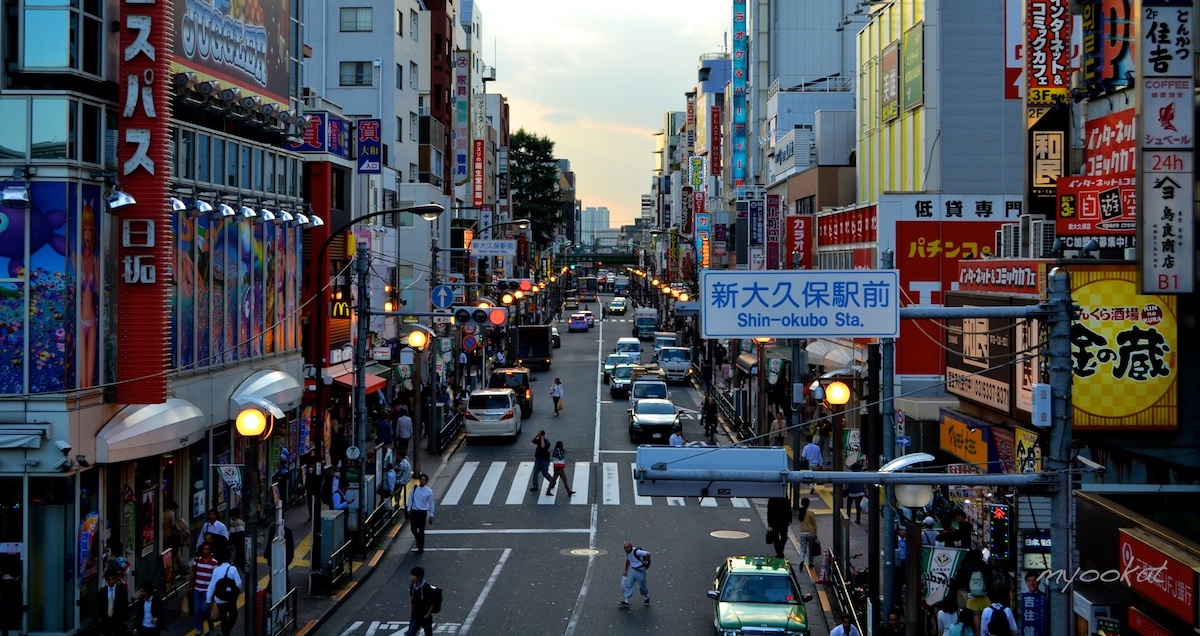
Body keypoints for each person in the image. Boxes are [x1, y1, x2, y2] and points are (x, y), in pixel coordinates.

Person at [204, 552, 242, 636]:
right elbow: (239, 584)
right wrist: (234, 594)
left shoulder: (216, 570)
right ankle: (225, 632)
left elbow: (212, 586)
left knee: (223, 617)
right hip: (230, 599)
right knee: (233, 616)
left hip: (220, 598)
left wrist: (208, 600)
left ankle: (224, 632)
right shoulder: (233, 569)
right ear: (229, 559)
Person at [189, 542, 218, 636]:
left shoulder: (214, 563)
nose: (205, 551)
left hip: (207, 591)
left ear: (210, 551)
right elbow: (193, 574)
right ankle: (199, 629)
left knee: (203, 609)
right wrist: (190, 586)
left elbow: (215, 578)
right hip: (197, 589)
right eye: (204, 549)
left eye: (207, 549)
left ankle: (209, 619)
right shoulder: (197, 561)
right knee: (197, 611)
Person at [408, 474, 435, 553]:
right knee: (413, 528)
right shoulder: (415, 488)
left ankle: (421, 547)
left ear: (426, 481)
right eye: (421, 479)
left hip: (422, 512)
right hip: (414, 511)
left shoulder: (429, 491)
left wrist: (431, 515)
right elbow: (410, 499)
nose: (422, 481)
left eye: (424, 480)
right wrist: (409, 509)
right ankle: (418, 539)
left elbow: (431, 503)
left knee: (421, 530)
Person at [97, 570, 129, 636]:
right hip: (106, 618)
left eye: (113, 579)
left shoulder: (121, 590)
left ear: (115, 579)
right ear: (106, 580)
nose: (111, 581)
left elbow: (125, 605)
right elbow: (100, 605)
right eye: (109, 580)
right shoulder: (102, 591)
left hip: (118, 618)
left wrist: (125, 619)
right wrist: (100, 617)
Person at [618, 542, 651, 608]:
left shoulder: (637, 551)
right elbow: (628, 561)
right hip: (633, 570)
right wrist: (626, 570)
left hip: (640, 571)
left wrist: (646, 561)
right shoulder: (627, 552)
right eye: (625, 548)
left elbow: (648, 553)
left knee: (642, 586)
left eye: (627, 547)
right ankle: (626, 601)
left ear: (631, 546)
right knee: (628, 584)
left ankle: (646, 596)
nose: (626, 549)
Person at [408, 566, 436, 636]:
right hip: (415, 615)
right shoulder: (412, 586)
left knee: (428, 633)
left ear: (419, 577)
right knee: (410, 634)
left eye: (413, 576)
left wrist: (427, 615)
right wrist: (412, 613)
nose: (411, 577)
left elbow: (433, 603)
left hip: (425, 617)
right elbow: (412, 601)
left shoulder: (427, 588)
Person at [0, 563, 21, 636]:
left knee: (4, 627)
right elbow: (19, 597)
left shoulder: (3, 583)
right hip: (12, 608)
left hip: (3, 607)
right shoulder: (15, 583)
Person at [797, 497, 818, 568]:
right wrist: (816, 534)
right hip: (811, 532)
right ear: (808, 504)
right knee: (811, 549)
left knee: (803, 548)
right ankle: (810, 563)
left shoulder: (800, 512)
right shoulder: (810, 513)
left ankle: (802, 560)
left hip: (802, 532)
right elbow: (814, 524)